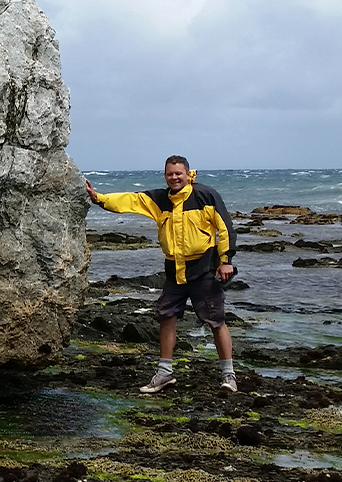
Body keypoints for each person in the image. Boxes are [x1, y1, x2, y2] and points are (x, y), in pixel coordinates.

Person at [85, 156, 238, 393]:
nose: (174, 177)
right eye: (170, 174)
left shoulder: (206, 195)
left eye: (178, 173)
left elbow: (225, 227)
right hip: (174, 271)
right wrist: (99, 198)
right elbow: (131, 200)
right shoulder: (159, 199)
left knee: (216, 321)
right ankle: (165, 373)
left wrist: (226, 261)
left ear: (188, 174)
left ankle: (229, 375)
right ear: (165, 175)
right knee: (166, 317)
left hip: (205, 269)